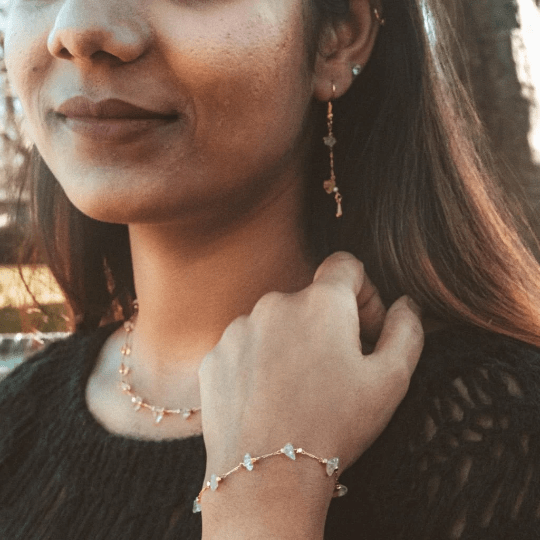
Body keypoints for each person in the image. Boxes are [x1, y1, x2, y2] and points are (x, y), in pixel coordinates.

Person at [1, 0, 540, 538]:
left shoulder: (496, 436)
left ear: (337, 38)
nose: (76, 29)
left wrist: (265, 496)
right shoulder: (14, 419)